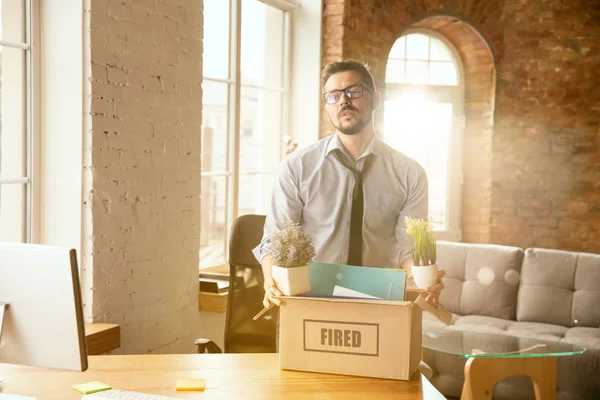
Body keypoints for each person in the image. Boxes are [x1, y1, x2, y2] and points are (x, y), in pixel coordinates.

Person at [252, 59, 445, 311]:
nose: (343, 100)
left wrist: (422, 279)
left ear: (375, 100)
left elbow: (407, 249)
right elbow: (275, 239)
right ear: (326, 106)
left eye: (354, 91)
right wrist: (270, 279)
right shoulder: (297, 167)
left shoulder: (409, 173)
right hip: (308, 300)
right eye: (333, 95)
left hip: (381, 302)